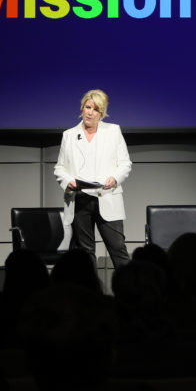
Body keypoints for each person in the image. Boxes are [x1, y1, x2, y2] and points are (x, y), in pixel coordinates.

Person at [54, 89, 132, 270]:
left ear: (102, 113)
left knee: (118, 248)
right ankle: (90, 293)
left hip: (106, 197)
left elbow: (125, 163)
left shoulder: (113, 131)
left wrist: (115, 178)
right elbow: (60, 167)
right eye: (87, 107)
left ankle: (130, 291)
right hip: (80, 198)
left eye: (95, 109)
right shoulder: (69, 135)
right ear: (82, 108)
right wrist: (68, 181)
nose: (90, 112)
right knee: (85, 252)